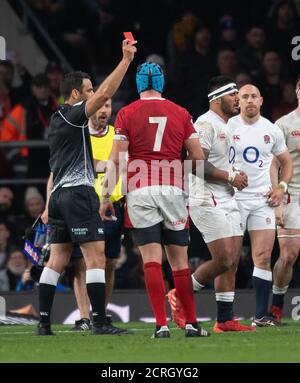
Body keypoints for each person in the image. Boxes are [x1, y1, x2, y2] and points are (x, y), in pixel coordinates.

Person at [100, 61, 237, 338]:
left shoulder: (126, 113)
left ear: (139, 84)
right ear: (162, 83)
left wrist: (105, 196)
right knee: (180, 262)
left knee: (151, 260)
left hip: (140, 190)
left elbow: (116, 160)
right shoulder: (182, 114)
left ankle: (161, 325)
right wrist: (173, 166)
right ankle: (190, 324)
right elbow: (198, 161)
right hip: (173, 189)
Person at [37, 38, 137, 336]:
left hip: (58, 197)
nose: (95, 95)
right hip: (79, 194)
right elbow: (107, 91)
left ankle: (43, 323)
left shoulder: (57, 121)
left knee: (57, 260)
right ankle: (100, 323)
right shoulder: (73, 114)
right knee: (96, 258)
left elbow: (78, 162)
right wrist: (126, 61)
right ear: (77, 94)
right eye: (89, 90)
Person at [168, 76, 254, 333]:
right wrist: (229, 176)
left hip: (227, 196)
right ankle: (179, 295)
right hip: (205, 197)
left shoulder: (228, 125)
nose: (238, 100)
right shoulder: (205, 124)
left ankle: (225, 320)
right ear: (217, 99)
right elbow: (193, 164)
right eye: (233, 95)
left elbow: (220, 160)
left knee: (233, 260)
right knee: (224, 258)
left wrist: (235, 173)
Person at [227, 84, 293, 326]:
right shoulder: (228, 126)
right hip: (233, 198)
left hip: (262, 200)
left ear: (261, 100)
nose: (250, 100)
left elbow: (286, 162)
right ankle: (225, 314)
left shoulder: (271, 129)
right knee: (230, 258)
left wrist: (280, 188)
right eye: (245, 97)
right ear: (238, 101)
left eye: (254, 96)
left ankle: (261, 315)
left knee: (263, 257)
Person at [269, 77, 300, 322]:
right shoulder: (284, 124)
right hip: (293, 195)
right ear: (297, 92)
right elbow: (274, 164)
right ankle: (276, 308)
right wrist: (277, 197)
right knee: (288, 255)